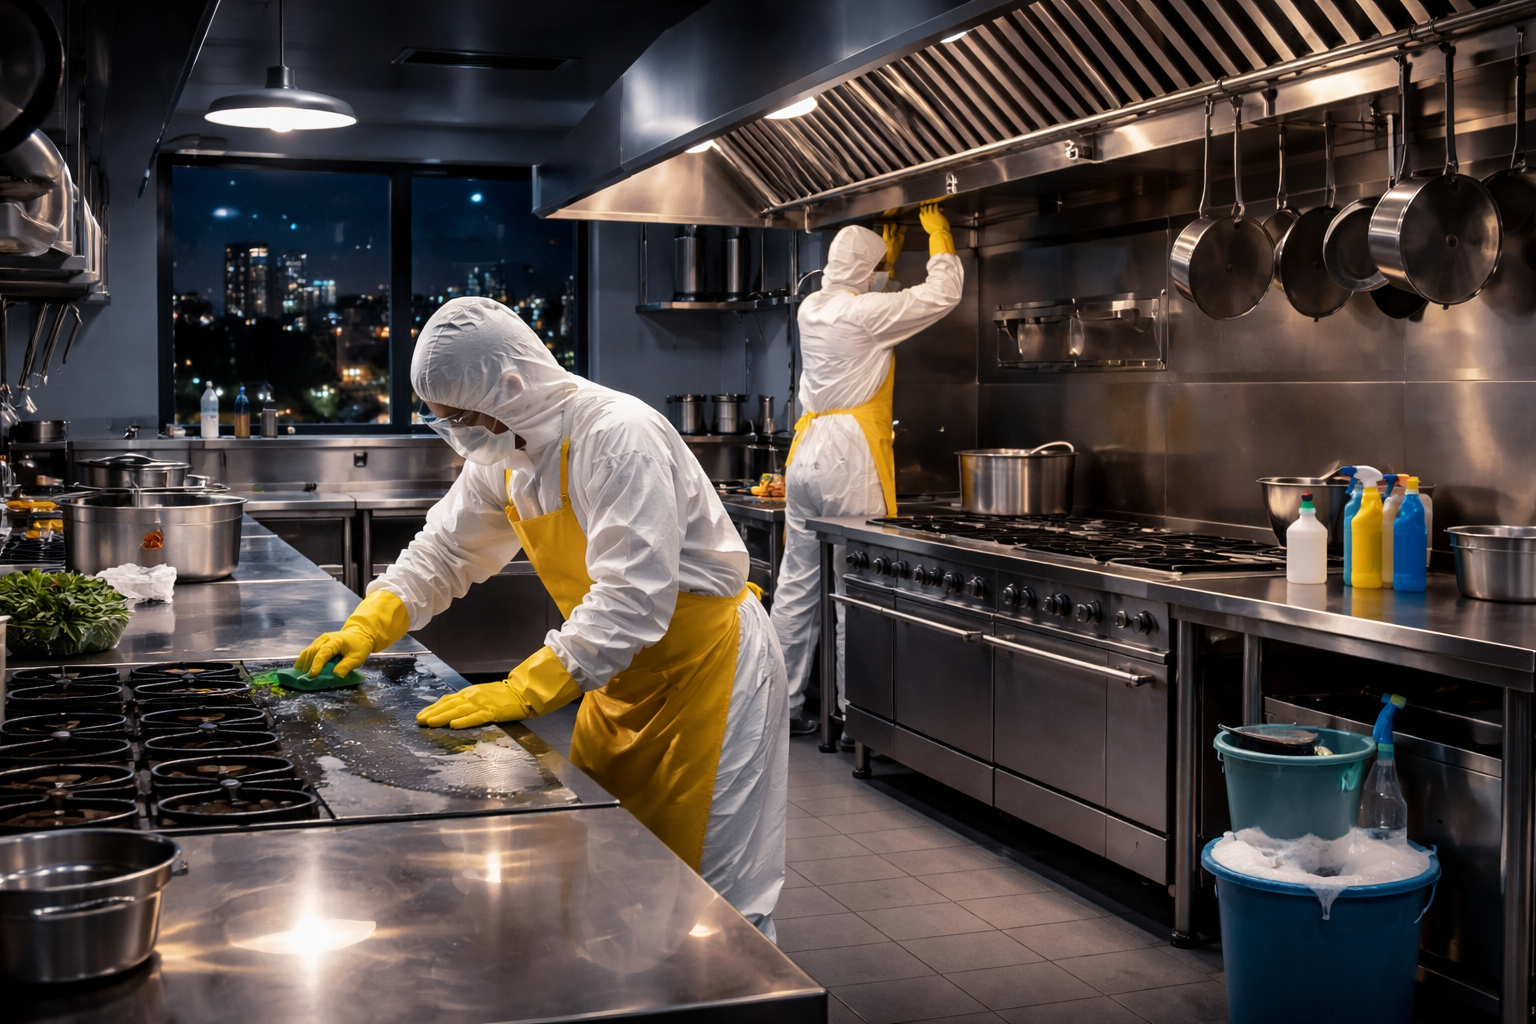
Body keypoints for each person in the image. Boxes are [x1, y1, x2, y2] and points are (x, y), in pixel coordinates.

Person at [295, 297, 789, 938]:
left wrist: (524, 687)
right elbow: (445, 551)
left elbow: (633, 597)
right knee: (610, 868)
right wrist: (371, 621)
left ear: (510, 386)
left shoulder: (615, 434)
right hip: (620, 683)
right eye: (443, 420)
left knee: (714, 906)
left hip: (712, 677)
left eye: (461, 417)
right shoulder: (504, 454)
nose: (457, 433)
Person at [772, 201, 964, 742]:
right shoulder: (864, 317)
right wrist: (940, 240)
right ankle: (857, 715)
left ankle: (778, 707)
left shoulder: (813, 306)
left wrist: (884, 260)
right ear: (866, 275)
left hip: (807, 451)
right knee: (855, 594)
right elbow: (940, 296)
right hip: (849, 461)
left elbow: (868, 297)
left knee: (797, 586)